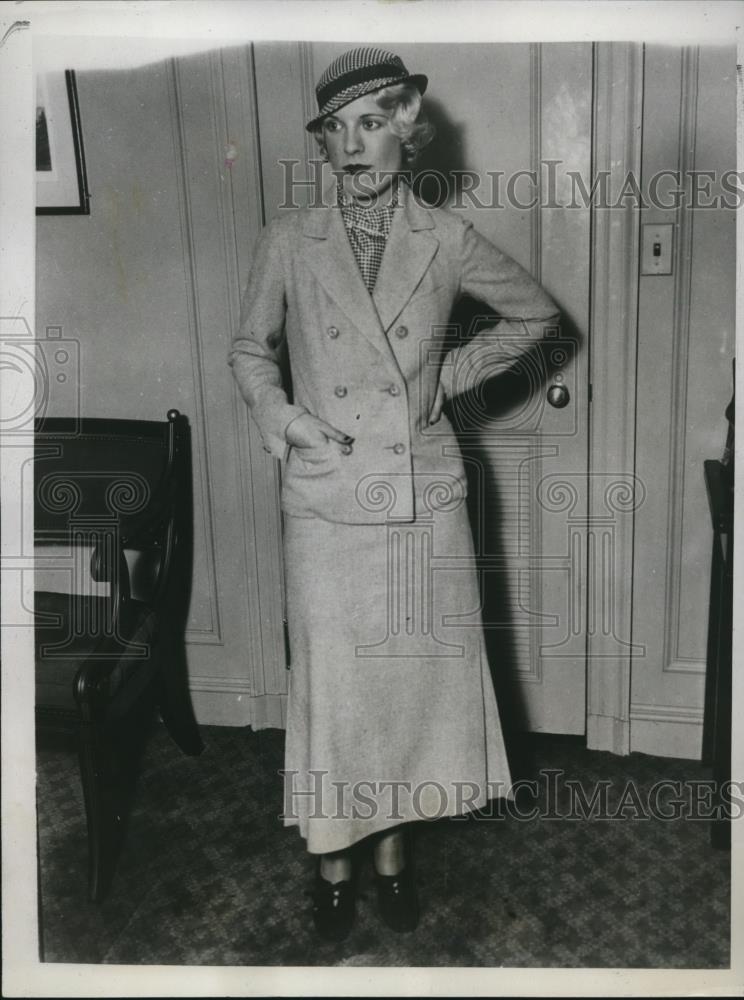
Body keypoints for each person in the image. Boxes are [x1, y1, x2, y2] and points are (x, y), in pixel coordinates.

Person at [229, 46, 560, 941]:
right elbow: (250, 350)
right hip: (329, 492)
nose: (352, 146)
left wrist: (445, 379)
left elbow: (536, 319)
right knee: (336, 689)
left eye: (372, 123)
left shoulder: (446, 241)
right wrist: (285, 418)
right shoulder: (287, 239)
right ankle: (333, 867)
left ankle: (391, 857)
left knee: (406, 690)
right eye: (336, 130)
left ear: (408, 127)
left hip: (421, 496)